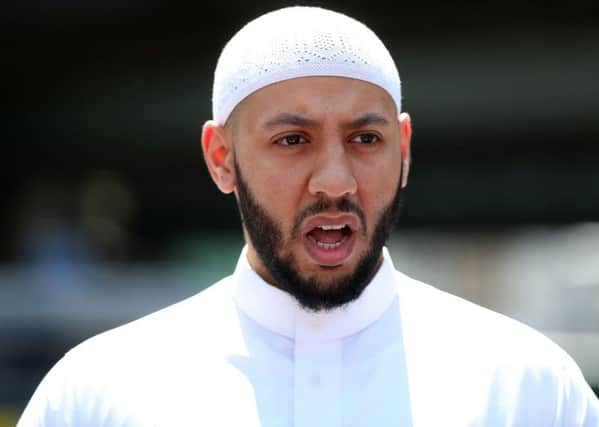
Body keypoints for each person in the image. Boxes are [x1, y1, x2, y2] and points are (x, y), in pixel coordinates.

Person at [18, 6, 599, 427]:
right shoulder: (98, 392)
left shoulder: (526, 385)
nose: (336, 181)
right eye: (293, 140)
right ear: (222, 159)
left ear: (404, 149)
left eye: (365, 138)